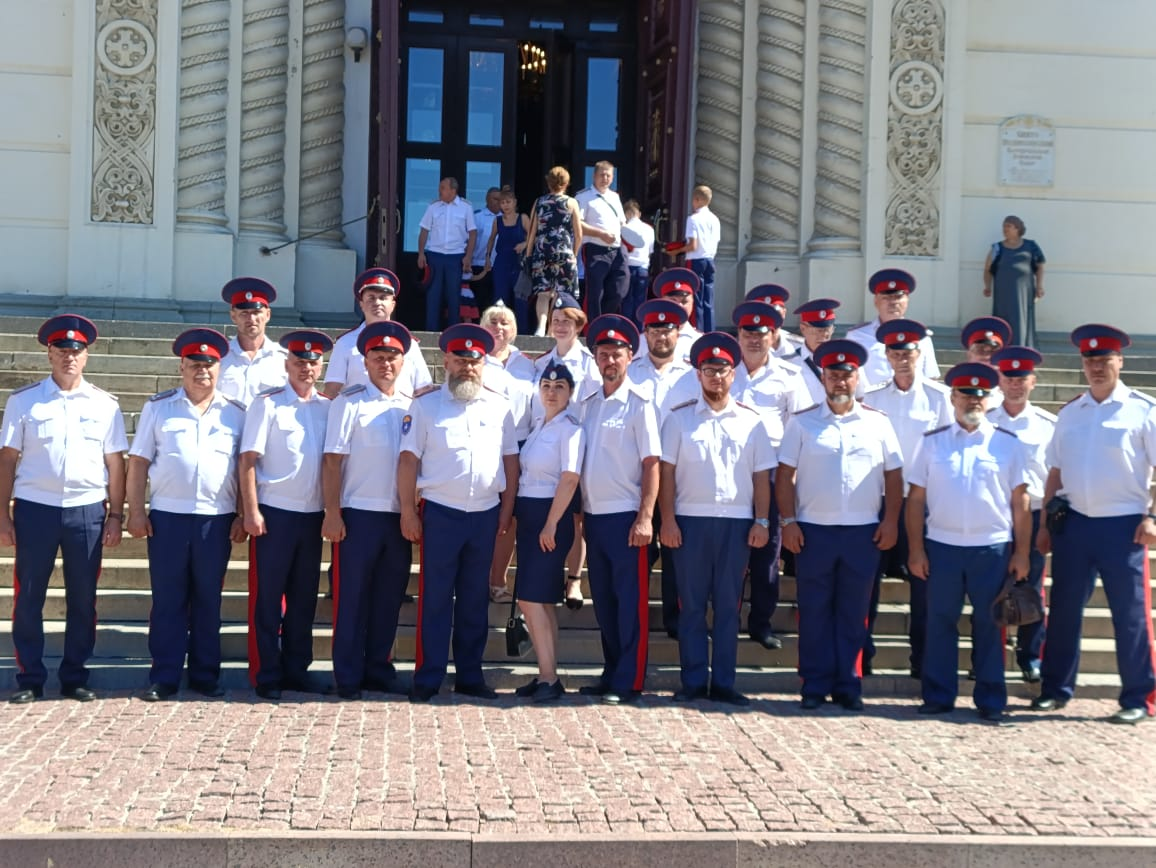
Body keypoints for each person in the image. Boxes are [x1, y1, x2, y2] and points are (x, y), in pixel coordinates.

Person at [1033, 324, 1156, 725]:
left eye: (1105, 360)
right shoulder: (1070, 413)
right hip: (1075, 525)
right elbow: (1055, 472)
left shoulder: (1144, 410)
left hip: (1124, 526)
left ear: (1120, 362)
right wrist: (1045, 524)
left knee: (1131, 614)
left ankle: (1138, 696)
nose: (1097, 368)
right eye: (1090, 361)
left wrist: (1152, 516)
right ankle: (1055, 689)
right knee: (1064, 611)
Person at [1, 315, 127, 704]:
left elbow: (116, 464)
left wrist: (116, 515)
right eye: (61, 350)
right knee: (29, 596)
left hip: (86, 510)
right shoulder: (24, 401)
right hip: (35, 509)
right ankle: (30, 677)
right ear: (49, 354)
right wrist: (2, 515)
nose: (69, 357)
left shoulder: (105, 405)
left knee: (83, 598)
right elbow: (7, 460)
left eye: (76, 351)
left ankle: (74, 676)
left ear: (86, 356)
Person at [778, 340, 903, 711]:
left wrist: (891, 520)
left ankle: (849, 684)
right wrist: (788, 521)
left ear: (857, 378)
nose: (840, 382)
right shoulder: (802, 422)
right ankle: (814, 684)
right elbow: (784, 475)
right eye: (833, 375)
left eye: (846, 375)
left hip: (862, 532)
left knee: (853, 612)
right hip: (814, 531)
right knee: (814, 610)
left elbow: (894, 476)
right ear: (823, 379)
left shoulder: (878, 422)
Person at [399, 324, 520, 702]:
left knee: (473, 599)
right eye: (460, 360)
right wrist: (408, 511)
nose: (468, 367)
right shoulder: (425, 406)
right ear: (446, 361)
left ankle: (470, 674)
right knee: (435, 598)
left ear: (484, 364)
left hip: (484, 513)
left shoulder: (500, 406)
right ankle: (428, 677)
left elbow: (511, 461)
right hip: (440, 512)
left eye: (475, 361)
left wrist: (507, 510)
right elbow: (408, 461)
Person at [906, 363, 1032, 723]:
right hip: (942, 546)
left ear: (988, 399)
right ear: (953, 398)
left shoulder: (1007, 443)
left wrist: (1022, 553)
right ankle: (938, 695)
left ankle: (991, 698)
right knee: (940, 622)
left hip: (991, 548)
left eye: (979, 395)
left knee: (990, 624)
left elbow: (1020, 502)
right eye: (966, 394)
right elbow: (916, 499)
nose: (973, 400)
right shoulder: (932, 442)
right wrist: (915, 549)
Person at [127, 328, 246, 702]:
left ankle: (205, 675)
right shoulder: (159, 407)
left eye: (209, 365)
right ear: (182, 367)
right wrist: (135, 511)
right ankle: (164, 676)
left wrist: (243, 513)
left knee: (209, 599)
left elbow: (245, 468)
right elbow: (138, 462)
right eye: (195, 365)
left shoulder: (237, 413)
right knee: (168, 600)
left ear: (219, 369)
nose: (202, 372)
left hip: (216, 518)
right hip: (168, 517)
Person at [660, 332, 775, 706]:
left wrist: (762, 521)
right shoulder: (678, 420)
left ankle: (724, 682)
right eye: (708, 370)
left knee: (728, 606)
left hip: (736, 523)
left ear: (732, 374)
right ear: (698, 375)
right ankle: (694, 681)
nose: (715, 377)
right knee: (691, 606)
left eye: (722, 370)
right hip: (690, 522)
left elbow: (761, 476)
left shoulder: (751, 422)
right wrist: (667, 520)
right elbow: (666, 474)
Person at [322, 321, 418, 700]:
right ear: (365, 362)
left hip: (398, 516)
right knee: (351, 598)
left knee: (388, 597)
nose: (385, 364)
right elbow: (332, 461)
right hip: (358, 513)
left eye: (392, 357)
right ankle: (347, 675)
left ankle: (379, 668)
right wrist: (332, 512)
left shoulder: (412, 405)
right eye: (378, 357)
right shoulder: (349, 401)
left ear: (403, 362)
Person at [239, 329, 334, 700]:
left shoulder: (328, 407)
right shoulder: (268, 404)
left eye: (312, 362)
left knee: (303, 598)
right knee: (268, 599)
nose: (306, 368)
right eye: (299, 362)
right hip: (274, 514)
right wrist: (251, 511)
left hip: (312, 516)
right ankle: (267, 673)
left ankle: (297, 670)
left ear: (321, 366)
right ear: (287, 364)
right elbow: (248, 460)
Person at [861, 319, 953, 677]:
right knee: (868, 583)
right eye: (895, 353)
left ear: (919, 355)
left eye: (908, 353)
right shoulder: (873, 398)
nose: (902, 359)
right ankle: (863, 656)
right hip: (881, 501)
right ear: (886, 356)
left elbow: (947, 449)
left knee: (924, 584)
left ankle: (923, 660)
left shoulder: (939, 398)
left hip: (923, 503)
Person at [578, 314, 661, 704]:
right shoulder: (590, 404)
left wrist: (646, 517)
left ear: (630, 357)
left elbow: (652, 464)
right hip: (595, 518)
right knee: (605, 602)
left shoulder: (640, 404)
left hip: (627, 518)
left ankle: (629, 679)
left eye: (617, 354)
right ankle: (611, 672)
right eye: (603, 354)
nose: (609, 361)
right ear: (595, 358)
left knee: (629, 603)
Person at [731, 301, 811, 651]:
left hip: (774, 472)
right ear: (738, 335)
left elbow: (801, 427)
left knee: (767, 554)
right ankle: (728, 618)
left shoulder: (789, 376)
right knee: (731, 554)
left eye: (761, 334)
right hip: (731, 472)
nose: (754, 340)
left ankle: (761, 623)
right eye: (748, 333)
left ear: (773, 336)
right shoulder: (724, 370)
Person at [511, 362, 586, 703]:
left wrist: (552, 522)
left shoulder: (571, 428)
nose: (551, 392)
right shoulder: (540, 424)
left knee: (528, 598)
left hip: (550, 514)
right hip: (531, 515)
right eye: (546, 386)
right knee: (541, 599)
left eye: (559, 387)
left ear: (570, 393)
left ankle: (550, 677)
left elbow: (569, 478)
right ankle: (546, 674)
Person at [629, 298, 700, 638]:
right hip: (636, 475)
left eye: (667, 330)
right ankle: (636, 616)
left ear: (677, 334)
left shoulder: (692, 376)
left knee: (676, 550)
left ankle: (675, 619)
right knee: (638, 549)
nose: (661, 336)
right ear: (645, 334)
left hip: (680, 475)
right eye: (655, 330)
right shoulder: (630, 371)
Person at [987, 345, 1055, 683]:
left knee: (1031, 588)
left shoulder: (1048, 425)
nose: (1015, 385)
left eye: (1021, 379)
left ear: (1033, 381)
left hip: (1035, 515)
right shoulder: (985, 421)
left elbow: (1057, 474)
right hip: (994, 515)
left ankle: (1030, 656)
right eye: (1009, 378)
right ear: (999, 380)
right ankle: (989, 658)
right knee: (990, 589)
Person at [479, 303, 535, 604]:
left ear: (514, 330)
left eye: (505, 323)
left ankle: (497, 579)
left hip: (521, 446)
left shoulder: (529, 364)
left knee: (509, 516)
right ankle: (476, 578)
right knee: (483, 512)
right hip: (484, 444)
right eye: (493, 322)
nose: (499, 328)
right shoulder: (474, 359)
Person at [323, 267, 432, 399]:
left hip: (400, 411)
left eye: (383, 298)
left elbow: (424, 390)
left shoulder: (410, 344)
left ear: (393, 304)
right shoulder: (345, 343)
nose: (377, 303)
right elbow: (332, 391)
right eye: (371, 298)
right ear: (361, 304)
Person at [845, 269, 940, 389]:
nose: (893, 302)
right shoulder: (856, 336)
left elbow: (931, 378)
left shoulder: (922, 337)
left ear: (907, 300)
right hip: (871, 399)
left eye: (898, 297)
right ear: (876, 301)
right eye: (887, 297)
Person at [525, 166, 582, 336]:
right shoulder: (571, 203)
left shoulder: (540, 202)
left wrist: (528, 255)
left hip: (542, 250)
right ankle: (552, 329)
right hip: (564, 251)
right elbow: (578, 233)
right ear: (566, 183)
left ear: (548, 182)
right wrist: (574, 253)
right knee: (561, 293)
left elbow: (532, 231)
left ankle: (541, 328)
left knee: (543, 293)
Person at [216, 277, 288, 407]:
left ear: (267, 315)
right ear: (233, 316)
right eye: (244, 313)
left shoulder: (283, 359)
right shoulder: (220, 358)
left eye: (257, 312)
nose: (251, 318)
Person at [417, 177, 477, 331]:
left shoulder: (466, 207)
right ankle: (430, 332)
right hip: (435, 255)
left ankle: (453, 333)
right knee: (433, 295)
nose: (439, 191)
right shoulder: (433, 207)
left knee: (453, 296)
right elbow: (424, 230)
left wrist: (468, 257)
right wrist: (421, 253)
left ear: (453, 190)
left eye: (443, 188)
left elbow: (472, 233)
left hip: (455, 257)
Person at [576, 161, 629, 323]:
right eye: (602, 175)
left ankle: (604, 321)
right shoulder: (583, 197)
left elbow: (622, 223)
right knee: (595, 292)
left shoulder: (615, 197)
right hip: (595, 248)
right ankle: (594, 327)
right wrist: (600, 234)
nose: (605, 178)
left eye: (608, 175)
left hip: (617, 249)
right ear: (594, 176)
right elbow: (577, 224)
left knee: (619, 289)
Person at [983, 215, 1045, 348]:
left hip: (1024, 292)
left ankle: (1023, 347)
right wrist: (987, 286)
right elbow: (988, 269)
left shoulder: (1031, 246)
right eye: (1004, 226)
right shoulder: (997, 248)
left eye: (1008, 226)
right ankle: (1002, 348)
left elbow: (1040, 266)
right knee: (1003, 319)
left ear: (1018, 228)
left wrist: (1039, 286)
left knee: (1022, 319)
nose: (1005, 229)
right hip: (1003, 292)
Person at [665, 186, 721, 331]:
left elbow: (693, 245)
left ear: (696, 199)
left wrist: (676, 251)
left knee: (696, 299)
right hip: (710, 259)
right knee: (708, 299)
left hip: (696, 260)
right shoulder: (715, 219)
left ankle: (698, 330)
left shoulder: (693, 219)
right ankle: (709, 331)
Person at [483, 189, 530, 324]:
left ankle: (523, 331)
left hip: (519, 263)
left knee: (520, 299)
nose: (505, 205)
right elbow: (492, 239)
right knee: (500, 298)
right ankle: (498, 327)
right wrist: (487, 257)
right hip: (501, 262)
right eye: (502, 203)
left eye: (508, 202)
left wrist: (525, 244)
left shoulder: (523, 218)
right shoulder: (497, 220)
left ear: (514, 202)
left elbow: (534, 236)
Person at [636, 269, 703, 360]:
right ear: (662, 301)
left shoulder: (701, 342)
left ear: (692, 303)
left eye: (684, 301)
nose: (679, 306)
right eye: (673, 301)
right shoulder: (642, 341)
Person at [788, 298, 841, 406]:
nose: (823, 335)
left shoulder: (845, 359)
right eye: (817, 331)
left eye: (827, 330)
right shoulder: (789, 363)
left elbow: (860, 396)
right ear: (803, 329)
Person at [621, 199, 655, 324]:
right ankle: (639, 330)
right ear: (639, 214)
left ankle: (627, 329)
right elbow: (650, 251)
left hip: (627, 268)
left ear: (626, 214)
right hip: (642, 268)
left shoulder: (623, 229)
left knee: (626, 301)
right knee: (640, 302)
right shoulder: (649, 229)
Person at [745, 285, 804, 359]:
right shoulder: (744, 347)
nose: (771, 317)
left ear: (784, 313)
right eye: (764, 313)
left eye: (775, 312)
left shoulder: (800, 346)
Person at [471, 186, 502, 310]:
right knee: (480, 302)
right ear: (487, 199)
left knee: (496, 303)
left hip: (499, 266)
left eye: (500, 199)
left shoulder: (505, 217)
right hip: (479, 265)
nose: (498, 202)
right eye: (495, 199)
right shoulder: (477, 217)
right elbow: (469, 240)